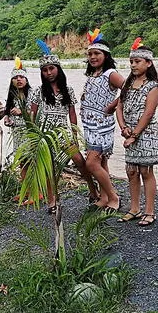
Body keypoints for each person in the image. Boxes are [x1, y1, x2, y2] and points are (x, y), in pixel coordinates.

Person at [30, 40, 98, 213]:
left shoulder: (67, 90)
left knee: (79, 162)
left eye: (51, 69)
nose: (49, 73)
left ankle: (93, 191)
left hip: (63, 133)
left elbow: (72, 114)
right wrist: (34, 136)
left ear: (58, 69)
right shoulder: (39, 91)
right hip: (46, 135)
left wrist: (74, 134)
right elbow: (33, 113)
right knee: (50, 168)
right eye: (45, 70)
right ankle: (53, 201)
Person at [116, 39, 158, 227]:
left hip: (146, 134)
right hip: (129, 132)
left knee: (146, 171)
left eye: (138, 61)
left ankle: (149, 211)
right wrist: (123, 128)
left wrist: (134, 135)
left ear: (149, 63)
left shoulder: (153, 86)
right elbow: (119, 107)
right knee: (131, 171)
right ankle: (134, 208)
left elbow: (148, 113)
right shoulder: (127, 84)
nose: (134, 65)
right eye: (132, 62)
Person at [81, 29, 125, 212]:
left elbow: (130, 89)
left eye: (97, 53)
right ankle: (105, 196)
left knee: (91, 163)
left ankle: (114, 196)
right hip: (89, 125)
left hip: (102, 126)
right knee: (102, 163)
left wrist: (114, 104)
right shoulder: (93, 74)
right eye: (90, 54)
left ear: (106, 55)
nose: (93, 57)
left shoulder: (110, 74)